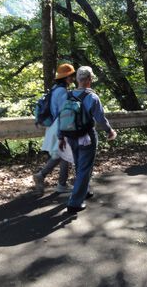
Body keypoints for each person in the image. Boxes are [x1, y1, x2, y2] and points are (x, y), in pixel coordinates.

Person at [59, 66, 116, 214]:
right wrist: (109, 131)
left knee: (79, 165)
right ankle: (74, 203)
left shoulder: (67, 95)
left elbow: (61, 117)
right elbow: (100, 119)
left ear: (77, 79)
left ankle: (85, 190)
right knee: (84, 168)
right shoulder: (92, 97)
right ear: (90, 80)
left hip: (71, 136)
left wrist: (61, 136)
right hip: (86, 137)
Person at [33, 63, 76, 194]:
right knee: (61, 154)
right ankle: (41, 175)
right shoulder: (62, 91)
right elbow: (64, 112)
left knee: (63, 155)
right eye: (71, 76)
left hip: (52, 125)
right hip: (60, 125)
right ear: (66, 77)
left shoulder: (54, 88)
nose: (73, 78)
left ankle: (61, 184)